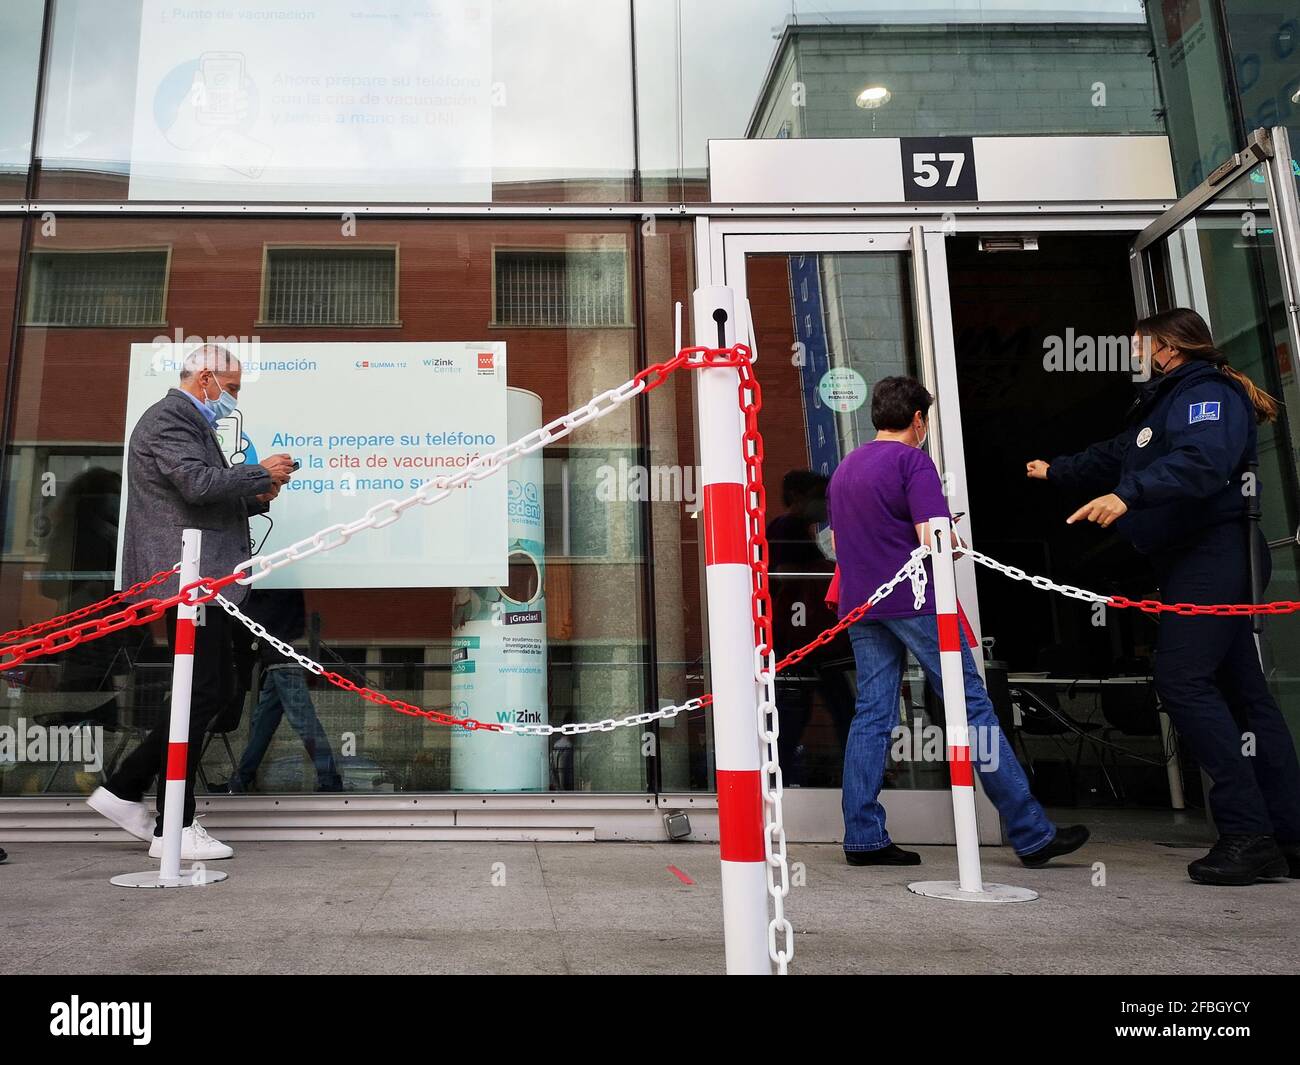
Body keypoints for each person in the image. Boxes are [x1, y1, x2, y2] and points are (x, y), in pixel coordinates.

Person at [1028, 308, 1300, 885]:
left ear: (1167, 347)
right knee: (1242, 693)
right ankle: (1288, 833)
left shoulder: (1209, 393)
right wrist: (1057, 472)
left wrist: (1128, 497)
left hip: (1215, 555)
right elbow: (1120, 451)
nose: (1132, 354)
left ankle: (1249, 836)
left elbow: (1202, 462)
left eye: (1138, 345)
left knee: (1182, 681)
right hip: (1191, 560)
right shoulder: (1165, 403)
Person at [830, 375, 1089, 867]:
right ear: (918, 420)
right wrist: (954, 542)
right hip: (915, 599)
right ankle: (1031, 832)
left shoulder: (846, 467)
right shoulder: (913, 461)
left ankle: (863, 835)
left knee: (872, 715)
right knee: (973, 707)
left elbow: (843, 544)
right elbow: (936, 536)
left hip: (862, 603)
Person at [86, 344, 295, 861]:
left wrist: (256, 495)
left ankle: (126, 790)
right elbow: (197, 484)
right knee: (203, 694)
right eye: (234, 388)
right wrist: (259, 473)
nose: (233, 399)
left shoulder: (183, 421)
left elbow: (197, 494)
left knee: (211, 692)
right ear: (206, 377)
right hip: (188, 580)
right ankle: (170, 826)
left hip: (203, 579)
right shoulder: (169, 420)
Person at [767, 470, 855, 785]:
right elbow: (786, 574)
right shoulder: (789, 528)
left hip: (804, 637)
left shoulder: (795, 529)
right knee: (830, 708)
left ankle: (784, 773)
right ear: (799, 496)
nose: (824, 503)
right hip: (804, 636)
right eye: (819, 495)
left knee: (809, 710)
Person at [223, 589, 344, 793]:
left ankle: (330, 780)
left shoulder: (274, 587)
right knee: (263, 725)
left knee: (302, 722)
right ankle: (240, 781)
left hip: (282, 661)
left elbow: (261, 615)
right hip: (279, 661)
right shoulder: (283, 585)